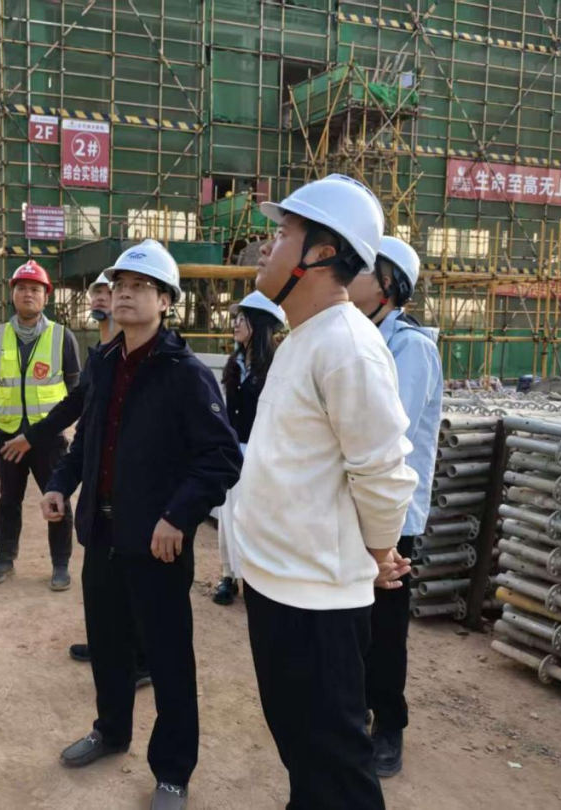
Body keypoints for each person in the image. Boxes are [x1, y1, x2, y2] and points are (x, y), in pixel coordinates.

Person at [233, 175, 418, 809]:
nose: (266, 246)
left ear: (321, 252)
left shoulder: (347, 347)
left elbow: (384, 470)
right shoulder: (304, 339)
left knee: (336, 770)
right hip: (280, 587)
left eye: (282, 233)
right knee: (304, 755)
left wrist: (378, 551)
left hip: (316, 606)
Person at [44, 240, 242, 810]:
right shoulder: (104, 362)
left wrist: (177, 516)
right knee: (108, 645)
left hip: (157, 545)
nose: (125, 294)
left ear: (166, 300)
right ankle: (111, 731)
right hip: (103, 534)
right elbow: (88, 439)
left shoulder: (184, 374)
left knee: (168, 657)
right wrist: (60, 483)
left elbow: (221, 458)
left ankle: (173, 771)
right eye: (120, 285)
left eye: (140, 286)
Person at [2, 272, 151, 690]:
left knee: (133, 574)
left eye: (109, 291)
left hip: (138, 484)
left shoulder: (152, 358)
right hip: (103, 480)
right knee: (105, 574)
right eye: (98, 292)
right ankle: (107, 643)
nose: (102, 298)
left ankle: (142, 660)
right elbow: (76, 407)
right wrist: (33, 437)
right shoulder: (103, 355)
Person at [348, 236, 443, 777]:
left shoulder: (410, 348)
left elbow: (386, 431)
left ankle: (389, 724)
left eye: (362, 269)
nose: (349, 276)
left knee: (384, 628)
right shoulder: (356, 336)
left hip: (391, 515)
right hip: (352, 505)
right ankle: (355, 710)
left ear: (389, 286)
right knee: (352, 620)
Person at [0, 260, 81, 590]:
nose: (28, 294)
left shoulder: (62, 337)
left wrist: (45, 422)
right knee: (8, 499)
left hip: (48, 438)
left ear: (46, 297)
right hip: (8, 435)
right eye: (22, 288)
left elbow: (73, 386)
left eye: (35, 289)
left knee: (57, 499)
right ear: (12, 294)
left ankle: (60, 565)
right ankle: (4, 560)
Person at [212, 291, 286, 607]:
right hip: (234, 452)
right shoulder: (235, 362)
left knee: (257, 519)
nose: (235, 324)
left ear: (259, 324)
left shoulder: (278, 365)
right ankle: (228, 575)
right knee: (229, 515)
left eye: (241, 319)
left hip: (263, 453)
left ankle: (257, 579)